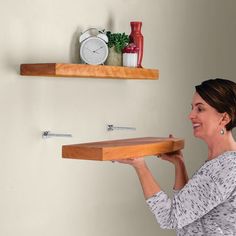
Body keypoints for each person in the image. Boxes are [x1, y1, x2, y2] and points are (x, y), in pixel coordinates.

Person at [115, 78, 236, 235]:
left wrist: (140, 166)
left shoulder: (223, 169)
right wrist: (179, 163)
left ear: (224, 118)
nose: (190, 115)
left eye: (200, 109)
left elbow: (170, 217)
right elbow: (185, 210)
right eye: (192, 108)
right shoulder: (222, 162)